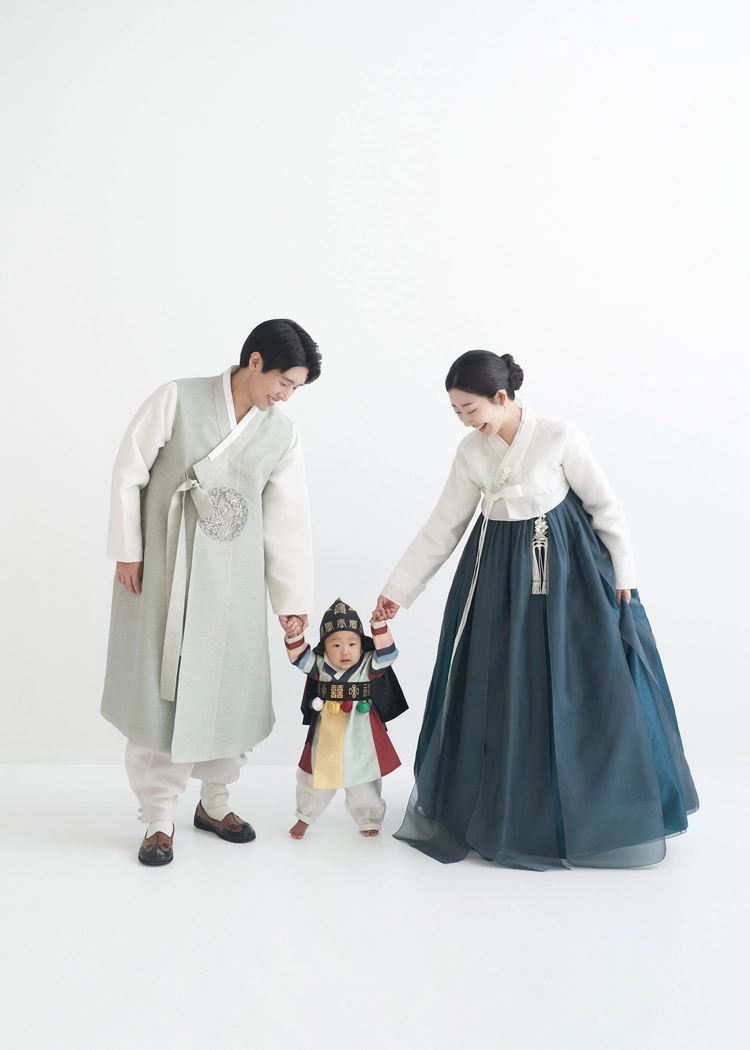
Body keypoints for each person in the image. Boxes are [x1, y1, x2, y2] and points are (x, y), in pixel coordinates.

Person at [375, 350, 698, 870]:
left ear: (501, 397)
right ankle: (511, 813)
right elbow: (444, 524)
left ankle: (588, 816)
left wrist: (625, 578)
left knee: (580, 684)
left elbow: (605, 506)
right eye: (456, 411)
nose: (465, 421)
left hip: (571, 577)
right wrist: (399, 589)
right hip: (497, 580)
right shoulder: (470, 451)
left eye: (470, 409)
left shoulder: (559, 436)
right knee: (505, 685)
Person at [102, 319, 321, 866]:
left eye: (295, 388)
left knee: (231, 692)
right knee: (162, 696)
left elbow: (287, 522)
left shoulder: (281, 434)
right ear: (255, 361)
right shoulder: (177, 398)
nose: (285, 395)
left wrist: (291, 603)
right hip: (163, 571)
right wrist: (128, 550)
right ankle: (158, 818)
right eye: (284, 381)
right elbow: (129, 470)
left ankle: (215, 802)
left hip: (233, 582)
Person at [284, 599, 407, 839]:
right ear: (324, 648)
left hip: (361, 732)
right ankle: (305, 815)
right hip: (327, 733)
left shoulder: (368, 665)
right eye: (336, 644)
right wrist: (294, 634)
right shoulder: (319, 666)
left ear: (362, 645)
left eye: (352, 643)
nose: (345, 651)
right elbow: (298, 657)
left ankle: (369, 818)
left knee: (364, 777)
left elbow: (388, 654)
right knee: (316, 775)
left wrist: (378, 624)